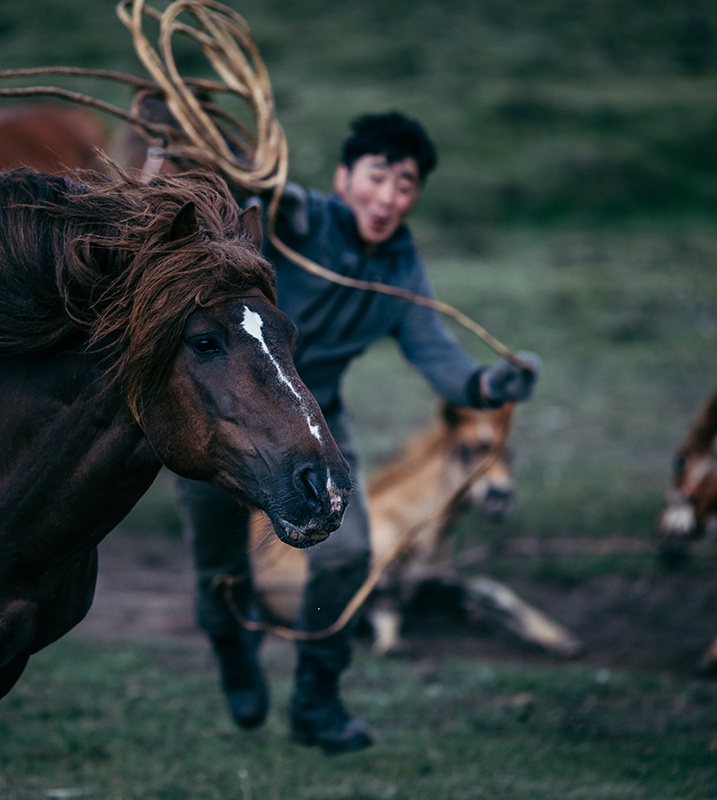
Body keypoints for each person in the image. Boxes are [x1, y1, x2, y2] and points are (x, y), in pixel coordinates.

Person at [176, 111, 540, 755]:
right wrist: (225, 151)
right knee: (222, 564)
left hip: (317, 417)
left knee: (347, 556)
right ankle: (235, 647)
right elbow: (258, 192)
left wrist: (488, 387)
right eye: (377, 178)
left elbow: (439, 358)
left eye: (405, 187)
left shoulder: (402, 270)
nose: (388, 198)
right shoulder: (301, 219)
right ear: (344, 178)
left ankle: (317, 699)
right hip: (227, 414)